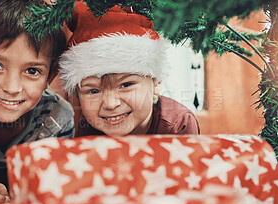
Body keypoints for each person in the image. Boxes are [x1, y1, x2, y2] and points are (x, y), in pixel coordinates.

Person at [59, 1, 200, 137]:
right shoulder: (88, 127)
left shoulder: (178, 125)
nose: (110, 104)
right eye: (93, 91)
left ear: (157, 83)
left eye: (126, 85)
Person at [0, 0, 74, 203]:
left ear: (50, 77)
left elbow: (51, 189)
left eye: (32, 71)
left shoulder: (57, 118)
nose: (11, 87)